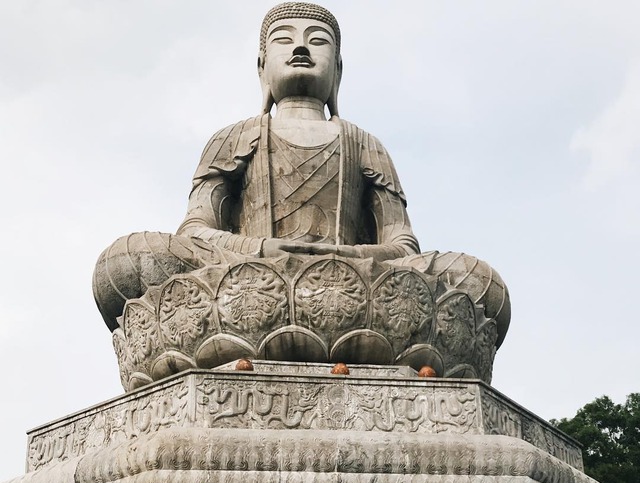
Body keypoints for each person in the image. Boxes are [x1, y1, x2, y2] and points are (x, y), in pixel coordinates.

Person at [93, 2, 509, 384]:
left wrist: (351, 258)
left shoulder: (364, 143)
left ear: (338, 71)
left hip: (354, 282)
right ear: (262, 66)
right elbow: (195, 230)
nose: (300, 48)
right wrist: (262, 251)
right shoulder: (235, 136)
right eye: (284, 40)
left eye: (317, 41)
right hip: (247, 277)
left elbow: (401, 243)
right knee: (126, 259)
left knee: (479, 281)